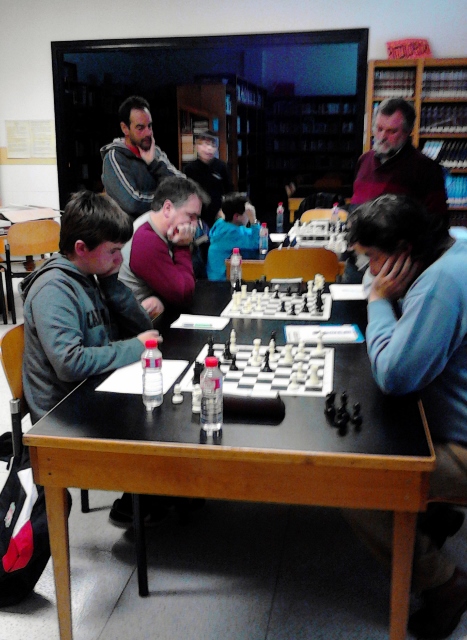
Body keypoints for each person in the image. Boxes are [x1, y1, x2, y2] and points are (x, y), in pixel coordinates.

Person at [345, 194, 467, 639]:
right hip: (449, 423)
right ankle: (433, 516)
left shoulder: (441, 284)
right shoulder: (455, 248)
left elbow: (394, 375)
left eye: (374, 259)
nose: (369, 270)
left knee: (354, 479)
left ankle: (443, 584)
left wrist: (379, 300)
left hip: (460, 444)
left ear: (403, 252)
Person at [21, 190, 160, 425]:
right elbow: (70, 363)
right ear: (81, 248)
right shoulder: (53, 289)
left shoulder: (90, 276)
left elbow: (142, 331)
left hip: (93, 393)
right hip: (63, 417)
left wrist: (112, 286)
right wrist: (136, 347)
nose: (120, 260)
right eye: (113, 251)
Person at [344, 97, 449, 284]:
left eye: (392, 131)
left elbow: (437, 226)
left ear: (408, 132)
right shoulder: (364, 161)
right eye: (379, 129)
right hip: (357, 262)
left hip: (394, 271)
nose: (382, 136)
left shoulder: (426, 168)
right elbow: (356, 204)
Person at [118, 176, 209, 317]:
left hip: (157, 311)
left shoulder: (155, 224)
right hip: (139, 321)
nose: (195, 224)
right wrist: (183, 247)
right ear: (167, 208)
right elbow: (184, 295)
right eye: (191, 216)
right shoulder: (146, 240)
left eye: (197, 218)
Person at [101, 96, 183, 220]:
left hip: (162, 226)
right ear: (125, 128)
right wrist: (170, 200)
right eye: (140, 128)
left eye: (149, 126)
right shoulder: (114, 157)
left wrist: (154, 163)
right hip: (131, 230)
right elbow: (132, 203)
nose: (148, 133)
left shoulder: (154, 151)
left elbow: (183, 188)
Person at [184, 130, 234, 228]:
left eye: (213, 145)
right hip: (196, 215)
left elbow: (230, 192)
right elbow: (186, 194)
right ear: (197, 147)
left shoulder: (222, 167)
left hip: (219, 214)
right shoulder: (189, 169)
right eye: (205, 144)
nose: (209, 149)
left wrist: (224, 210)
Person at [206, 193, 261, 281]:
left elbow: (248, 233)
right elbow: (257, 243)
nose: (248, 216)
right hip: (220, 281)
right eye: (247, 213)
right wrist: (253, 220)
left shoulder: (223, 224)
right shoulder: (230, 233)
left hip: (220, 276)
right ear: (236, 216)